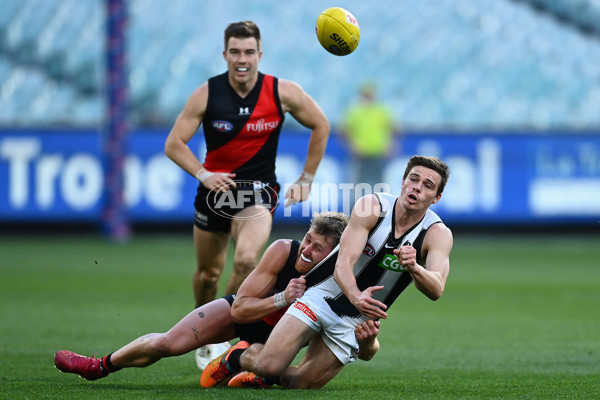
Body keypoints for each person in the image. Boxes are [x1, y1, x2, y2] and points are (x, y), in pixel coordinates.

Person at [201, 155, 452, 389]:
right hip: (322, 296)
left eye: (428, 185)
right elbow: (343, 262)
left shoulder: (437, 234)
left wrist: (415, 267)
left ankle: (261, 378)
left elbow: (436, 289)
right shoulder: (372, 206)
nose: (417, 187)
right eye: (414, 179)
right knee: (269, 364)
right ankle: (237, 357)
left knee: (302, 383)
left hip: (356, 321)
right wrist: (355, 296)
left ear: (436, 197)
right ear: (403, 181)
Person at [163, 20, 330, 367]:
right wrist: (203, 173)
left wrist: (306, 177)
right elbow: (173, 144)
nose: (243, 58)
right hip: (214, 194)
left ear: (259, 54)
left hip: (257, 192)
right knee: (208, 274)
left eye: (249, 52)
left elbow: (321, 124)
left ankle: (221, 333)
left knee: (244, 260)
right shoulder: (207, 94)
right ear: (225, 55)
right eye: (235, 51)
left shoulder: (281, 92)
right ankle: (204, 322)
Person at [53, 212, 378, 382]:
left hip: (282, 344)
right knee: (168, 344)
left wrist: (366, 342)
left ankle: (250, 369)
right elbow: (239, 309)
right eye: (307, 239)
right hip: (250, 316)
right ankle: (98, 366)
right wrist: (282, 299)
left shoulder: (345, 279)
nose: (306, 249)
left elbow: (357, 349)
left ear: (336, 253)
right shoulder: (282, 250)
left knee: (300, 374)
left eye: (317, 248)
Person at [341, 82, 397, 190]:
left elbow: (392, 129)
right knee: (359, 185)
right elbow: (344, 132)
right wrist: (352, 147)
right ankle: (358, 206)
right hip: (361, 155)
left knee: (380, 184)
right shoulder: (355, 112)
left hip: (378, 153)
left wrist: (390, 145)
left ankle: (381, 206)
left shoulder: (381, 110)